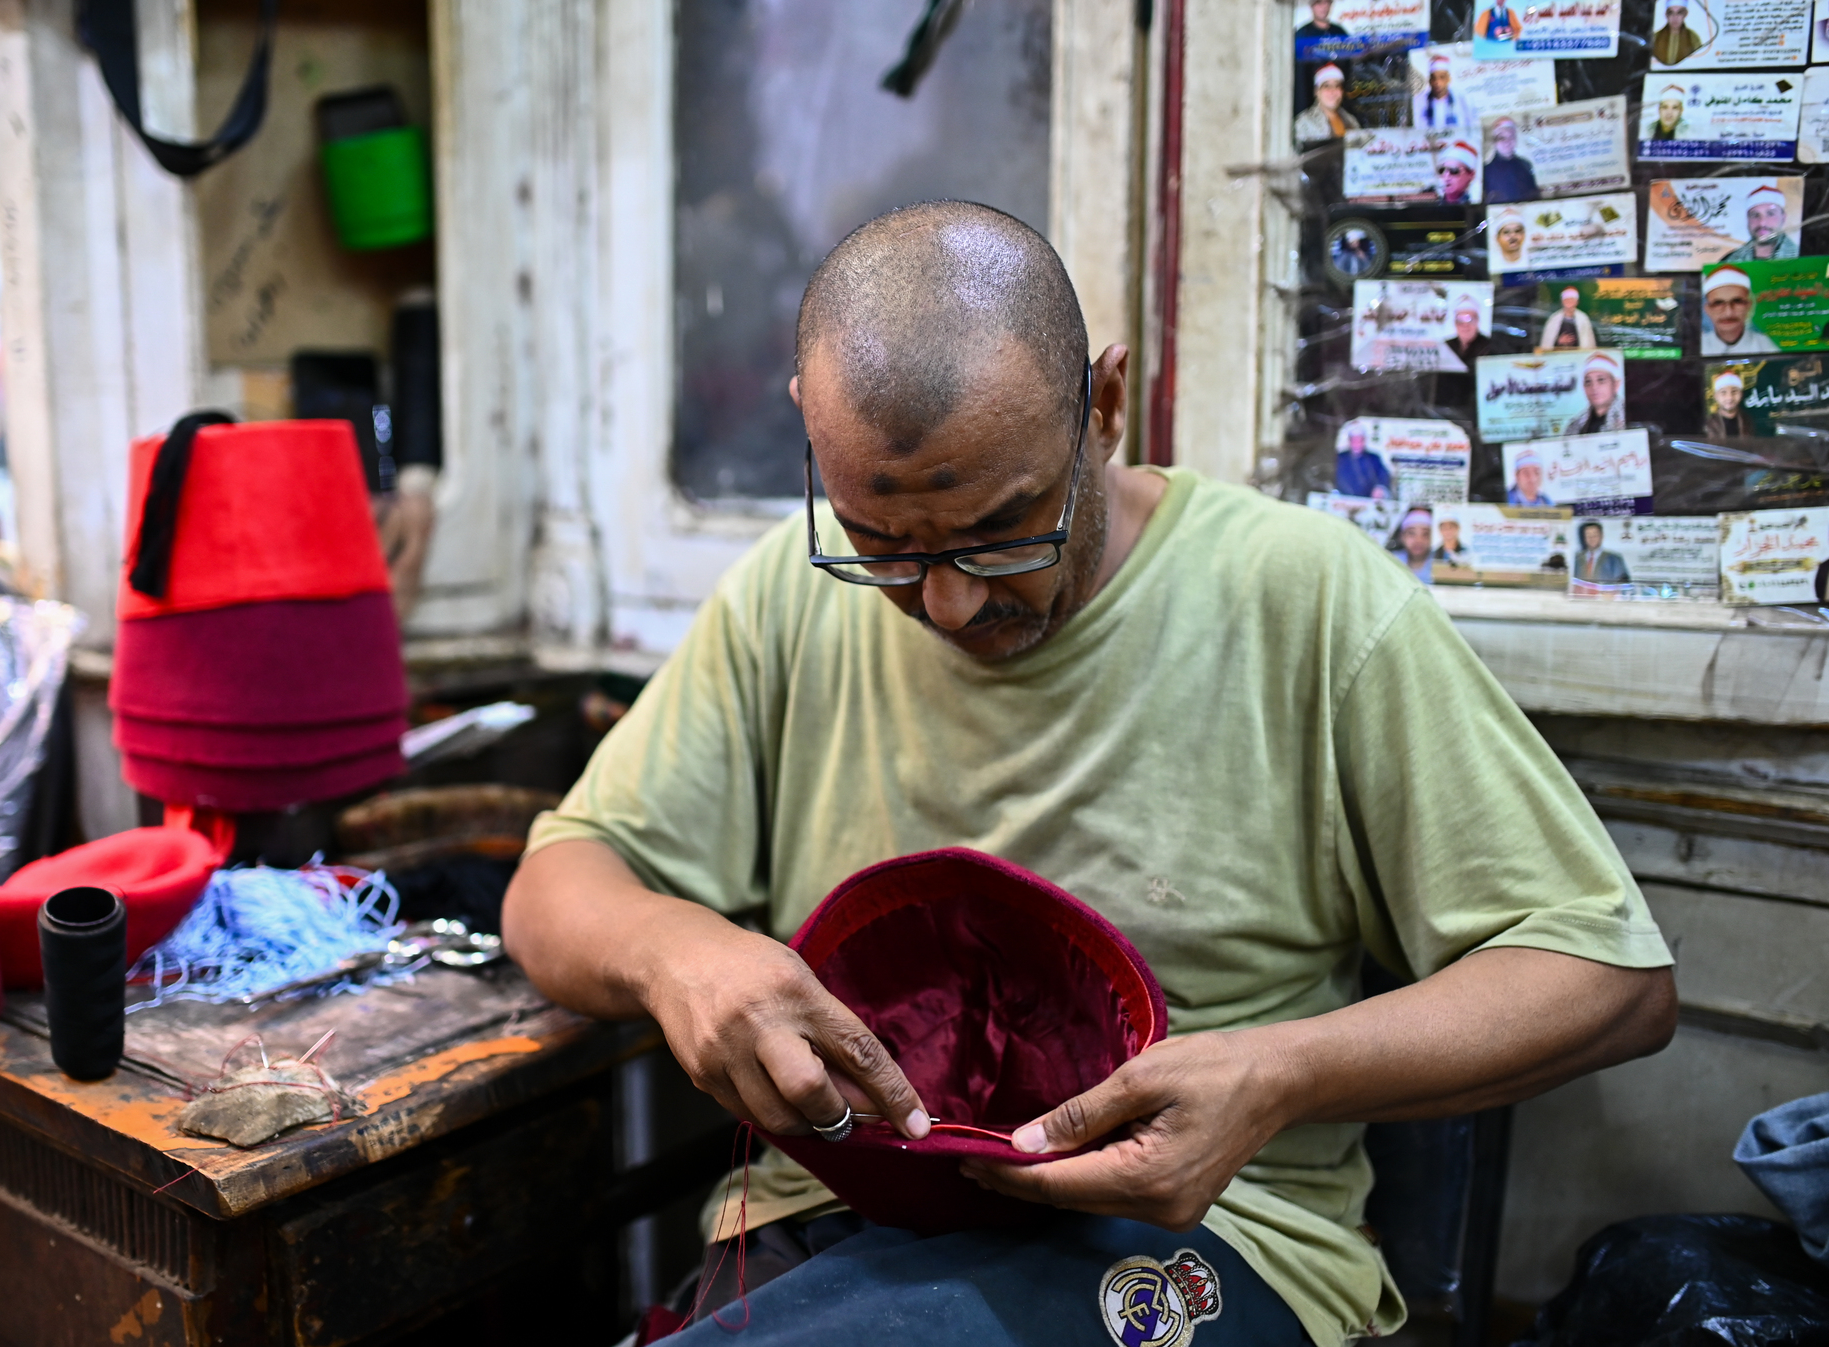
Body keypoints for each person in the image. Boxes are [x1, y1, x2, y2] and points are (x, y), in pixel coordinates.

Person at [506, 199, 1676, 1347]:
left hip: (1192, 1236)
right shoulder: (783, 597)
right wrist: (682, 959)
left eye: (1005, 529)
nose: (949, 603)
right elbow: (556, 888)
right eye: (884, 547)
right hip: (835, 1223)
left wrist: (1273, 1073)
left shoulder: (1298, 600)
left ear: (1105, 404)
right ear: (809, 429)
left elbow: (1604, 977)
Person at [1702, 265, 1781, 356]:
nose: (1729, 313)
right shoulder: (1698, 346)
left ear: (1748, 306)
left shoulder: (1768, 347)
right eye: (1719, 303)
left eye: (1737, 302)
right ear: (1707, 309)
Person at [1722, 185, 1798, 263]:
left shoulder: (1802, 256)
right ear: (1748, 219)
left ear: (1783, 217)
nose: (1762, 223)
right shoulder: (1729, 261)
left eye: (1770, 214)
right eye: (1755, 215)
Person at [1294, 64, 1361, 146]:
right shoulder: (1303, 123)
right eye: (1326, 86)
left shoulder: (1351, 120)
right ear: (1317, 92)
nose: (1332, 91)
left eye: (1337, 86)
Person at [1564, 350, 1628, 436]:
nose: (1594, 387)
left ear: (1616, 384)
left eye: (1601, 380)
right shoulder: (1575, 426)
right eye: (1588, 382)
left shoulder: (1629, 416)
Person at [1483, 117, 1539, 203]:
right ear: (1495, 141)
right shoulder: (1486, 171)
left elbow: (1535, 197)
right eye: (1502, 138)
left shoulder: (1525, 166)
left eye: (1511, 137)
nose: (1507, 142)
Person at [1415, 54, 1474, 131]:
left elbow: (1474, 129)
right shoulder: (1418, 102)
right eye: (1434, 78)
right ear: (1429, 81)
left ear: (1448, 79)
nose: (1437, 83)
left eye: (1442, 78)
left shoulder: (1463, 99)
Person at [1335, 423, 1393, 498]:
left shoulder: (1373, 458)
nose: (1357, 444)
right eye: (1354, 440)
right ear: (1349, 441)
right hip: (1343, 499)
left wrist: (1380, 488)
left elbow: (1383, 475)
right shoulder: (1341, 458)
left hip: (1367, 499)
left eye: (1360, 440)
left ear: (1364, 441)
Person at [1571, 520, 1631, 586]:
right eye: (1588, 535)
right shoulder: (1576, 559)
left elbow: (1624, 585)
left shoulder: (1614, 559)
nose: (1592, 538)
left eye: (1595, 535)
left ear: (1601, 536)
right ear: (1584, 538)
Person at [1388, 507, 1434, 583]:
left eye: (1425, 534)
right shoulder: (1392, 561)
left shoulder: (1441, 562)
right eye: (1411, 533)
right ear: (1402, 536)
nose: (1419, 540)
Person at [1446, 295, 1490, 368]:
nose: (1465, 325)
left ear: (1477, 322)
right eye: (1460, 321)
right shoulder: (1446, 346)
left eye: (1470, 320)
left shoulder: (1488, 347)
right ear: (1455, 323)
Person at [1705, 369, 1750, 439]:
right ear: (1716, 396)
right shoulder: (1709, 424)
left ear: (1741, 394)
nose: (1729, 397)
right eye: (1723, 392)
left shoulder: (1747, 421)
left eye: (1734, 391)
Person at [1435, 138, 1478, 204]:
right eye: (1442, 170)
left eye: (1453, 171)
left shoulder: (1474, 204)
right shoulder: (1435, 204)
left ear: (1471, 175)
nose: (1446, 176)